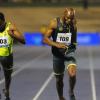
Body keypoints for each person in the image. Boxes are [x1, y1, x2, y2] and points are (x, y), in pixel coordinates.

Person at [43, 8, 77, 100]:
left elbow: (73, 37)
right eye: (68, 18)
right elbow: (45, 39)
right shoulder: (54, 23)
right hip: (57, 54)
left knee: (72, 74)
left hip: (69, 52)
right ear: (64, 15)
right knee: (59, 80)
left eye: (72, 18)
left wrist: (73, 45)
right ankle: (61, 97)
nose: (70, 21)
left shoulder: (73, 22)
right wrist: (56, 44)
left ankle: (71, 91)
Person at [0, 12, 25, 100]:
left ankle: (7, 90)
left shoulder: (10, 27)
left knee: (7, 76)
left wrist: (12, 35)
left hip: (6, 57)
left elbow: (23, 40)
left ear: (3, 21)